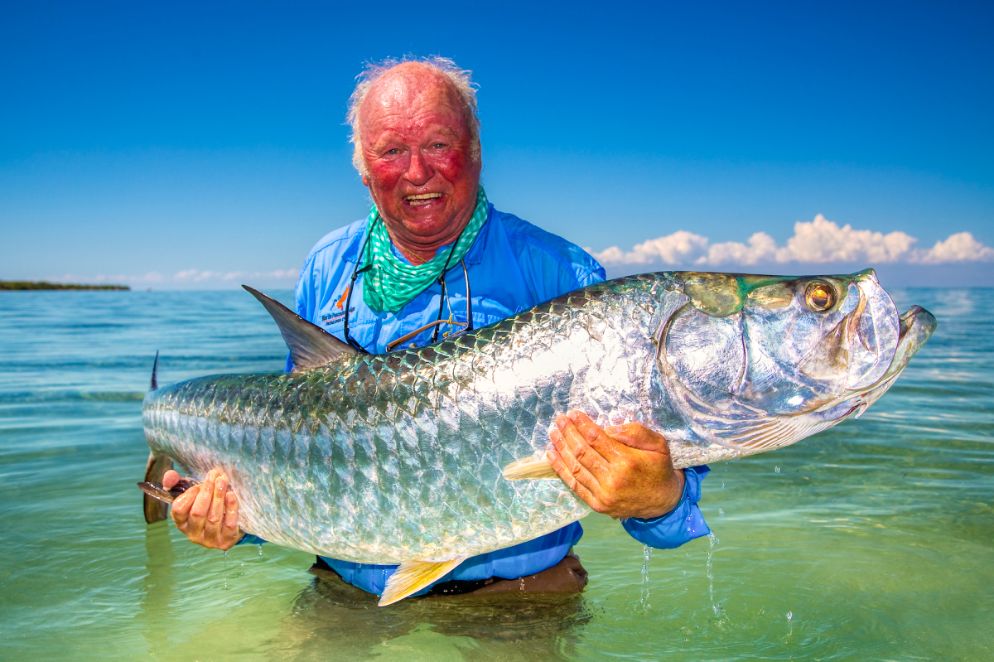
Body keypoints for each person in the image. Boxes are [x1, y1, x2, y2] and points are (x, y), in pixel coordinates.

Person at [163, 57, 710, 598]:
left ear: (475, 151)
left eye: (438, 145)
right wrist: (232, 519)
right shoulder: (326, 265)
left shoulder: (561, 272)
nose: (417, 172)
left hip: (518, 595)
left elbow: (662, 505)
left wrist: (658, 498)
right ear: (363, 168)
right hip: (345, 588)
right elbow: (299, 448)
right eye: (392, 151)